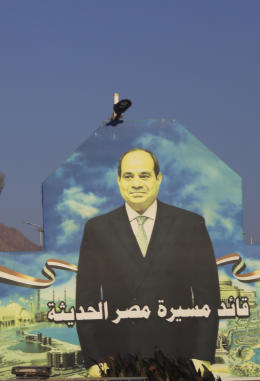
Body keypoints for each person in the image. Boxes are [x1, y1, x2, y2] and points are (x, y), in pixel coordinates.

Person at [74, 147, 220, 367]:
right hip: (118, 360)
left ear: (158, 179)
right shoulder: (97, 229)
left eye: (144, 175)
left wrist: (201, 356)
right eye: (128, 176)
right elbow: (86, 301)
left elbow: (208, 296)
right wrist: (95, 361)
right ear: (119, 181)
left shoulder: (190, 225)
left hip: (179, 359)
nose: (136, 183)